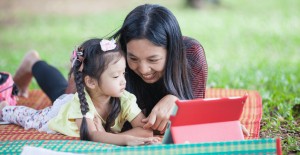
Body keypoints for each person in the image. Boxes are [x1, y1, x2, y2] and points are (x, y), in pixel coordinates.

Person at [11, 4, 249, 136]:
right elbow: (118, 127)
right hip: (95, 90)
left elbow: (195, 105)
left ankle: (33, 62)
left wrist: (177, 101)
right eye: (133, 58)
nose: (143, 69)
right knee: (62, 99)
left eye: (153, 59)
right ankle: (33, 62)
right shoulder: (118, 61)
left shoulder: (191, 55)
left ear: (172, 50)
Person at [0, 38, 160, 146]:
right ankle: (5, 107)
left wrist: (109, 135)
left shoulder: (125, 99)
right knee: (28, 118)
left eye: (123, 73)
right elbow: (91, 135)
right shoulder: (81, 103)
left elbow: (146, 131)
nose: (123, 81)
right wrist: (126, 140)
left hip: (80, 97)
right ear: (91, 81)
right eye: (116, 76)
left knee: (59, 88)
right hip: (56, 115)